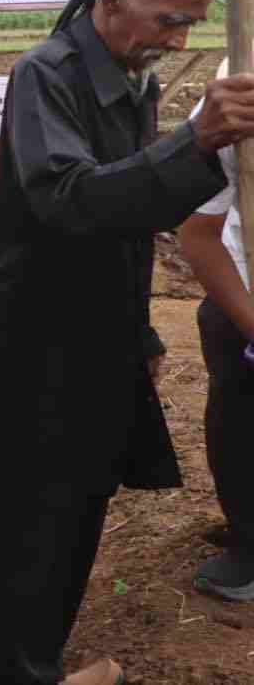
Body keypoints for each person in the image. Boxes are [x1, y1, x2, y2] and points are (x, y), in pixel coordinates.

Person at [0, 0, 254, 685]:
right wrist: (196, 143)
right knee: (27, 526)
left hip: (97, 340)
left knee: (74, 517)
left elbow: (125, 222)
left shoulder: (127, 78)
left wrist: (141, 334)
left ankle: (36, 667)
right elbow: (69, 200)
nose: (179, 41)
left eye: (192, 23)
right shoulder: (45, 75)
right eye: (170, 20)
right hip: (35, 351)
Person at [178, 53, 254, 601]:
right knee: (240, 419)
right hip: (244, 295)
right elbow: (198, 233)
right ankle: (249, 543)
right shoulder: (237, 99)